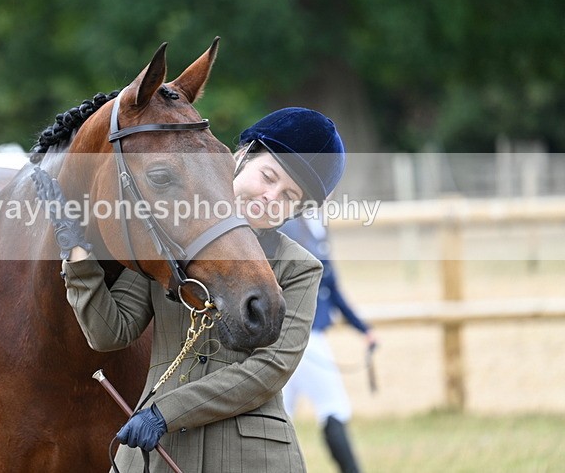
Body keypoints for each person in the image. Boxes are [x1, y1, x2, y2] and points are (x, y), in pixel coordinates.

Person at [32, 106, 346, 472]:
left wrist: (164, 413)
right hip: (154, 454)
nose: (271, 197)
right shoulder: (166, 235)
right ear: (242, 157)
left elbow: (270, 369)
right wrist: (77, 252)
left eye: (289, 196)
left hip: (251, 457)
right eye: (268, 176)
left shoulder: (300, 267)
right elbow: (109, 332)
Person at [279, 215, 377, 473]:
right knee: (333, 407)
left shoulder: (316, 227)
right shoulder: (290, 227)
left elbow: (332, 289)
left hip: (303, 337)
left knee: (280, 414)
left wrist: (363, 329)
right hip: (303, 338)